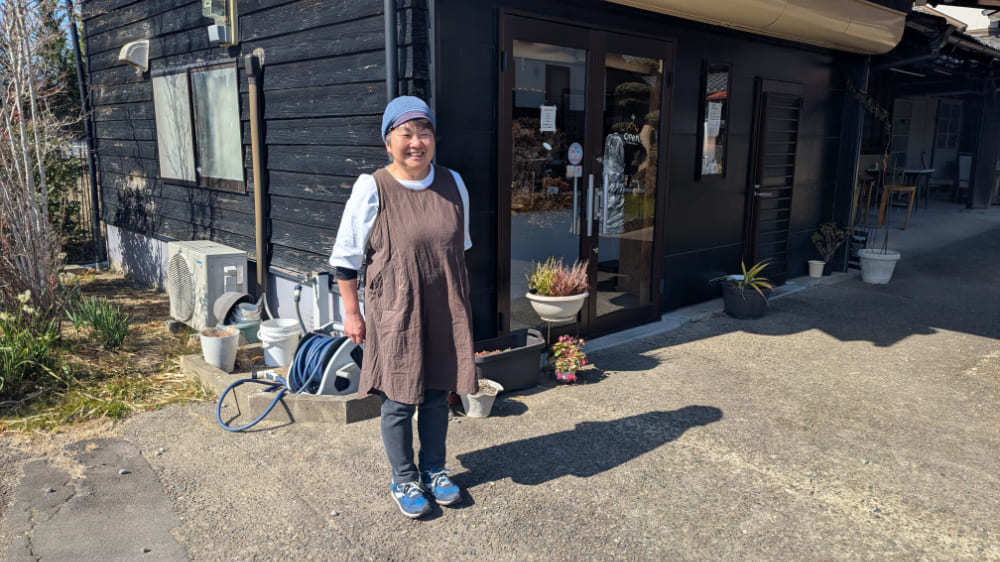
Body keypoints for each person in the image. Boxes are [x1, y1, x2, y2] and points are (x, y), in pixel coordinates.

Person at [329, 96, 475, 519]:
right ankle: (404, 478)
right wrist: (352, 313)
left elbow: (459, 249)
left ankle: (434, 470)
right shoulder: (372, 188)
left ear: (434, 139)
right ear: (388, 141)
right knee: (398, 398)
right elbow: (345, 259)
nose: (416, 142)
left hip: (444, 306)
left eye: (424, 132)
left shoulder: (453, 183)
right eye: (406, 133)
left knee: (437, 393)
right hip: (396, 310)